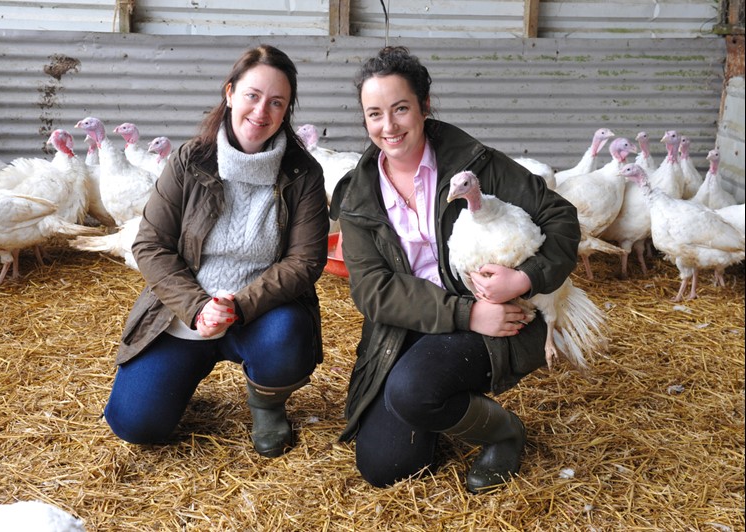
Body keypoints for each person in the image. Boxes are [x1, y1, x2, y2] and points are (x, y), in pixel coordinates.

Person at [329, 47, 581, 493]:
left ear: (425, 106)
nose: (388, 127)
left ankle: (503, 432)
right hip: (413, 325)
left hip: (495, 316)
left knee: (412, 392)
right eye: (374, 114)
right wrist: (465, 314)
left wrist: (524, 279)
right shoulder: (358, 195)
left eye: (401, 109)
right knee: (387, 467)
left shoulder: (475, 165)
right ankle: (432, 399)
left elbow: (560, 218)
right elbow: (372, 291)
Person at [104, 44, 329, 458]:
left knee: (287, 334)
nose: (262, 111)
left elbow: (305, 261)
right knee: (135, 423)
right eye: (253, 95)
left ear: (286, 111)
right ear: (229, 93)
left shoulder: (303, 173)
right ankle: (178, 374)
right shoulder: (191, 160)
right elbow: (150, 245)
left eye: (277, 102)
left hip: (261, 311)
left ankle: (267, 404)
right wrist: (197, 307)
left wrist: (238, 306)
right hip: (188, 309)